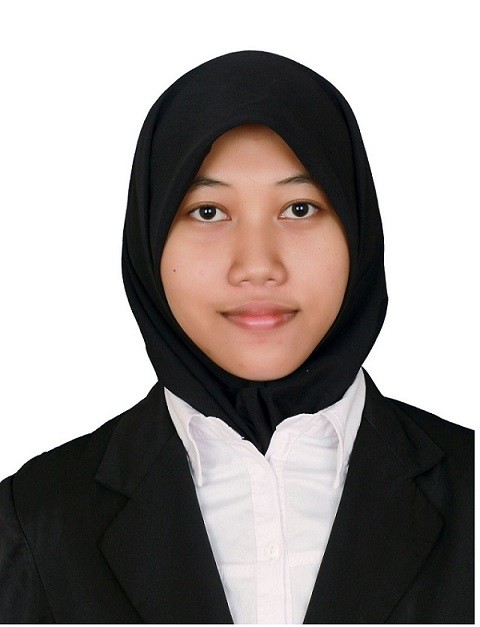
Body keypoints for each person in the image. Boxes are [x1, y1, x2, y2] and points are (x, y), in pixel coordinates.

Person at [0, 51, 473, 624]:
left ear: (356, 228)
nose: (257, 266)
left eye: (299, 208)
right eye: (208, 212)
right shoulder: (31, 521)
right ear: (150, 239)